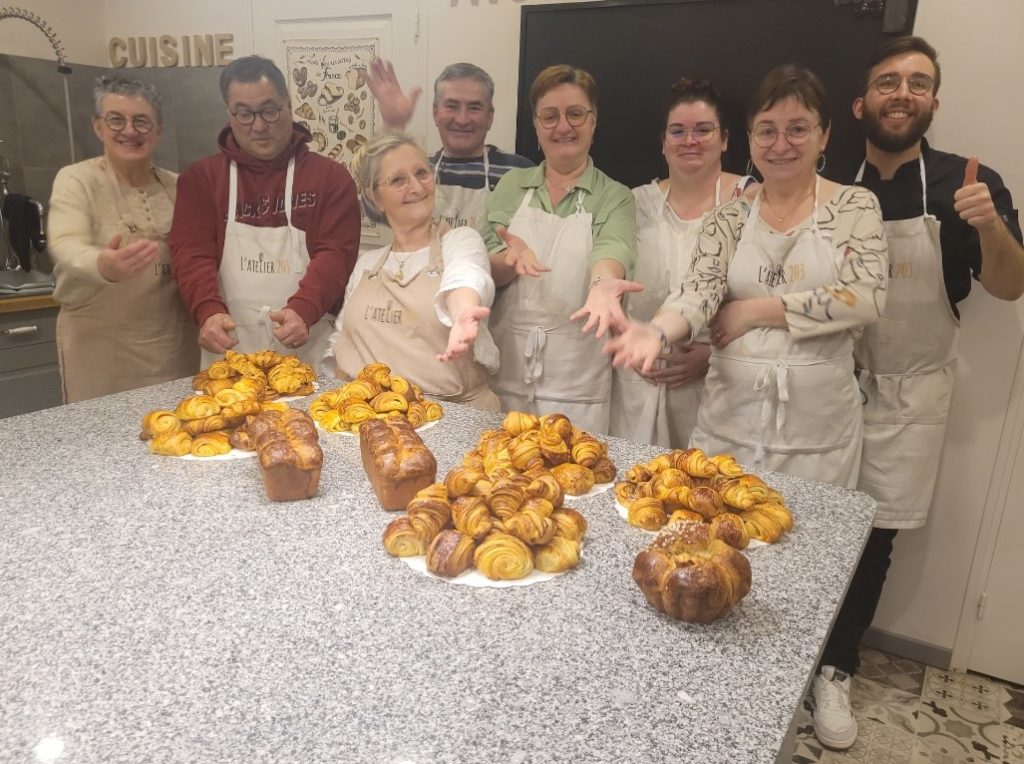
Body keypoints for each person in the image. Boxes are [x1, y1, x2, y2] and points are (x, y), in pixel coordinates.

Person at [810, 36, 1024, 752]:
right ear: (860, 102)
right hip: (824, 381)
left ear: (934, 99)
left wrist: (990, 224)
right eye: (887, 82)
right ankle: (785, 654)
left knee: (872, 541)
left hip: (907, 396)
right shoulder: (824, 176)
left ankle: (835, 667)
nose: (902, 94)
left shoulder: (971, 181)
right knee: (800, 521)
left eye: (917, 83)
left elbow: (1010, 284)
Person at [602, 65, 888, 485]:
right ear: (751, 140)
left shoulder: (854, 207)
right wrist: (657, 331)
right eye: (767, 131)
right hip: (728, 423)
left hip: (817, 435)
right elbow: (697, 292)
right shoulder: (730, 218)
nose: (781, 144)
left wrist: (753, 312)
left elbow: (865, 299)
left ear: (823, 134)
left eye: (798, 129)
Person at [169, 55, 360, 368]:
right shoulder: (202, 180)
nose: (258, 126)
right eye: (244, 114)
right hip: (229, 351)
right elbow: (191, 254)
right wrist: (207, 311)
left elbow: (336, 255)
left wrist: (304, 308)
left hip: (307, 349)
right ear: (229, 114)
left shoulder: (330, 179)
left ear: (288, 104)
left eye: (269, 111)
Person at [479, 64, 636, 434]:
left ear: (593, 122)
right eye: (549, 116)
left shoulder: (615, 196)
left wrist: (603, 286)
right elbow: (481, 266)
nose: (563, 127)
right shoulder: (511, 186)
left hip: (578, 385)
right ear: (535, 126)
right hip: (506, 374)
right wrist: (507, 261)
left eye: (575, 114)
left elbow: (613, 251)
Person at [610, 77, 753, 448]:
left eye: (703, 130)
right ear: (663, 142)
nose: (690, 140)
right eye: (678, 131)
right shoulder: (634, 203)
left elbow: (759, 294)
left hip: (714, 389)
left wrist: (713, 357)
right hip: (637, 385)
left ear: (724, 139)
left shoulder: (749, 201)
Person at [48, 76, 199, 403]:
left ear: (158, 131)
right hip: (101, 351)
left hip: (173, 347)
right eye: (116, 119)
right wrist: (101, 264)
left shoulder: (180, 187)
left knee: (178, 436)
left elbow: (202, 255)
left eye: (141, 122)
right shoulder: (77, 180)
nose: (129, 131)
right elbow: (64, 242)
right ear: (98, 127)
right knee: (102, 442)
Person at [329, 133, 500, 410]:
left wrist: (463, 313)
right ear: (375, 198)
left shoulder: (459, 241)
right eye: (398, 180)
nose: (417, 186)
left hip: (453, 418)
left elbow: (466, 277)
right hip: (375, 416)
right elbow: (342, 342)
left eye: (422, 173)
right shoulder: (367, 264)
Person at [365, 58, 533, 230]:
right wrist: (392, 126)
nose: (462, 119)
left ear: (490, 117)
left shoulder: (519, 173)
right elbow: (373, 208)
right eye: (452, 106)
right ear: (436, 113)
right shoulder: (418, 171)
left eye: (474, 108)